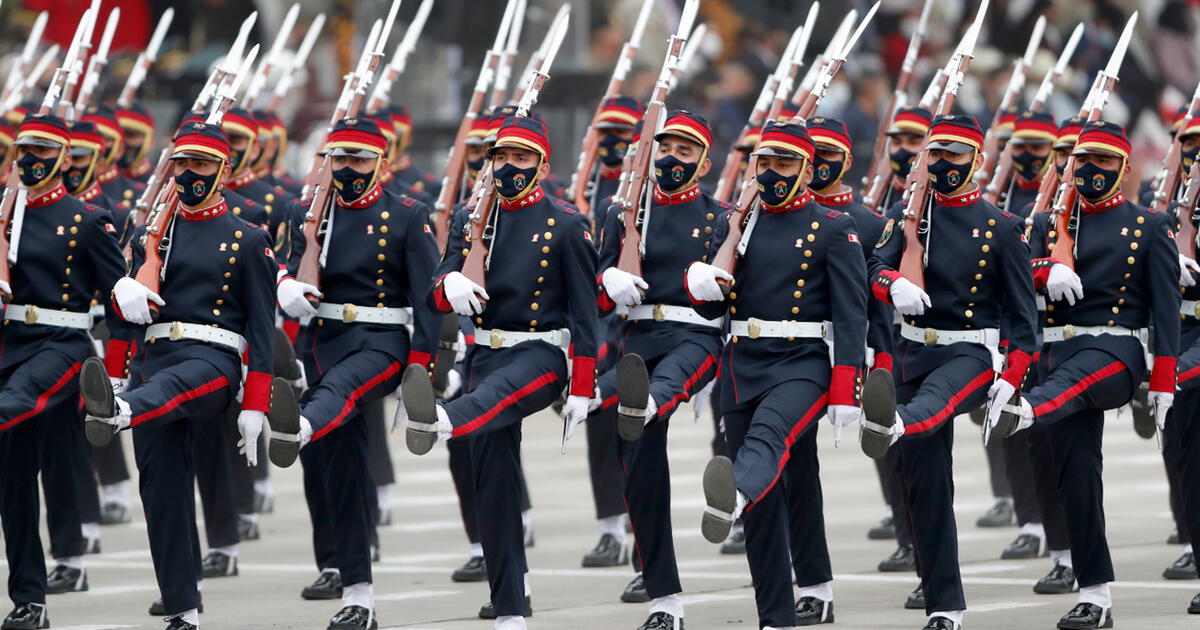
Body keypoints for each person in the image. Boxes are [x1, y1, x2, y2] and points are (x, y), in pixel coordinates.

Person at [401, 114, 598, 630]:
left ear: (542, 165)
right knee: (494, 485)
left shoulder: (567, 223)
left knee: (493, 397)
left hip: (540, 355)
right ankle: (511, 606)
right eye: (501, 157)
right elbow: (434, 285)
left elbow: (585, 313)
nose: (510, 167)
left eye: (521, 158)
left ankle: (441, 420)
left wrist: (581, 385)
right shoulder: (471, 218)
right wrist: (448, 289)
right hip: (486, 352)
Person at [79, 120, 277, 630]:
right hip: (154, 360)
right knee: (161, 493)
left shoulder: (247, 236)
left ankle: (118, 412)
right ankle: (182, 609)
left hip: (214, 362)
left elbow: (261, 324)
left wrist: (255, 404)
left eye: (202, 164)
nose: (190, 173)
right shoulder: (152, 234)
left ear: (223, 169)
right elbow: (125, 321)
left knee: (170, 389)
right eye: (182, 163)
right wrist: (119, 361)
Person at [989, 120, 1181, 630]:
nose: (1091, 169)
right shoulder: (1045, 226)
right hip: (1054, 355)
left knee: (1061, 392)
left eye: (1104, 160)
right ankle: (1095, 595)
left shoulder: (1148, 226)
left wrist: (1162, 384)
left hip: (1114, 354)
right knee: (1076, 478)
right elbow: (1009, 286)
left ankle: (1022, 409)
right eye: (1083, 160)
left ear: (1122, 167)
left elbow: (1166, 311)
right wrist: (1042, 269)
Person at [860, 114, 1038, 630]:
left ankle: (890, 421)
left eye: (954, 155)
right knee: (926, 482)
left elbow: (1024, 323)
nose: (942, 164)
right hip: (915, 348)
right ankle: (943, 604)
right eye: (934, 154)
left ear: (978, 161)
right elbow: (875, 266)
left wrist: (1012, 377)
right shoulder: (908, 212)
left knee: (929, 407)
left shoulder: (1002, 229)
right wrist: (892, 283)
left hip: (971, 355)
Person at [689, 120, 867, 629]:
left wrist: (845, 390)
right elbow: (709, 309)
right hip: (743, 363)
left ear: (808, 170)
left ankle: (734, 493)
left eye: (785, 164)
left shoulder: (834, 227)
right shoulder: (736, 222)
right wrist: (699, 283)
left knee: (765, 443)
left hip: (802, 363)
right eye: (764, 163)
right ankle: (776, 618)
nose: (771, 174)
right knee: (767, 509)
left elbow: (853, 315)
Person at [268, 116, 440, 630]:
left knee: (337, 399)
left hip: (380, 345)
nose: (348, 169)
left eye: (360, 159)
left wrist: (420, 369)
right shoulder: (306, 211)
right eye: (338, 158)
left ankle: (295, 425)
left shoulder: (408, 214)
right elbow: (282, 262)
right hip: (320, 344)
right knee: (335, 468)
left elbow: (428, 301)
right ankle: (354, 590)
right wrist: (286, 285)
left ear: (381, 163)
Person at [590, 110, 727, 629]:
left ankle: (641, 401)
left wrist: (718, 287)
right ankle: (662, 599)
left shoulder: (719, 217)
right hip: (639, 338)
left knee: (656, 393)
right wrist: (609, 277)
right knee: (641, 473)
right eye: (665, 149)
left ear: (704, 162)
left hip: (696, 336)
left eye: (685, 152)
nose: (672, 158)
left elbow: (734, 295)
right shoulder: (622, 212)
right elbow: (598, 284)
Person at [0, 113, 128, 630]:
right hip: (9, 344)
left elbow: (120, 301)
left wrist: (115, 378)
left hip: (62, 344)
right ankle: (29, 599)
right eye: (23, 151)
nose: (30, 161)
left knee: (20, 402)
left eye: (42, 152)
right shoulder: (3, 213)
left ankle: (71, 552)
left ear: (64, 158)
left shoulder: (87, 219)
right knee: (13, 482)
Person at [579, 96, 645, 574]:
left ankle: (645, 546)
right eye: (605, 135)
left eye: (622, 136)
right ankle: (610, 530)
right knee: (600, 425)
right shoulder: (585, 190)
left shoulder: (644, 192)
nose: (612, 143)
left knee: (639, 433)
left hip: (637, 325)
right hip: (595, 319)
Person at [117, 102, 157, 183]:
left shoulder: (156, 184)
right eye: (118, 135)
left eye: (130, 135)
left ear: (151, 142)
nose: (123, 142)